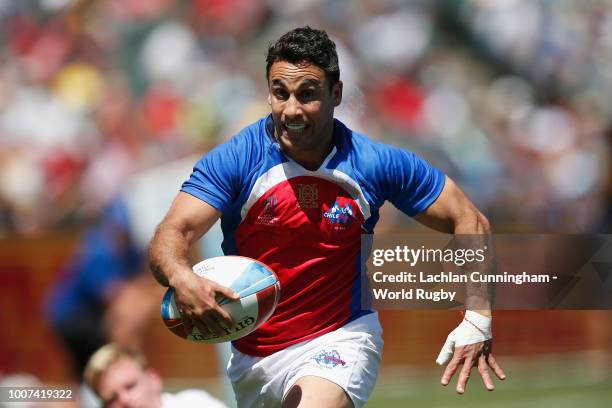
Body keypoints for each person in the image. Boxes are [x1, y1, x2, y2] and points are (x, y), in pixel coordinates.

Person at [149, 26, 506, 407]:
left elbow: (470, 220)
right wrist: (180, 275)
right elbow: (172, 233)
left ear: (336, 94)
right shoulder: (236, 159)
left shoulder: (373, 163)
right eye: (280, 93)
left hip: (341, 336)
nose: (291, 110)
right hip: (252, 359)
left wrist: (478, 317)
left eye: (307, 94)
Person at [84, 343, 227, 408]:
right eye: (112, 399)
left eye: (131, 386)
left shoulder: (195, 404)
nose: (125, 400)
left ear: (154, 379)